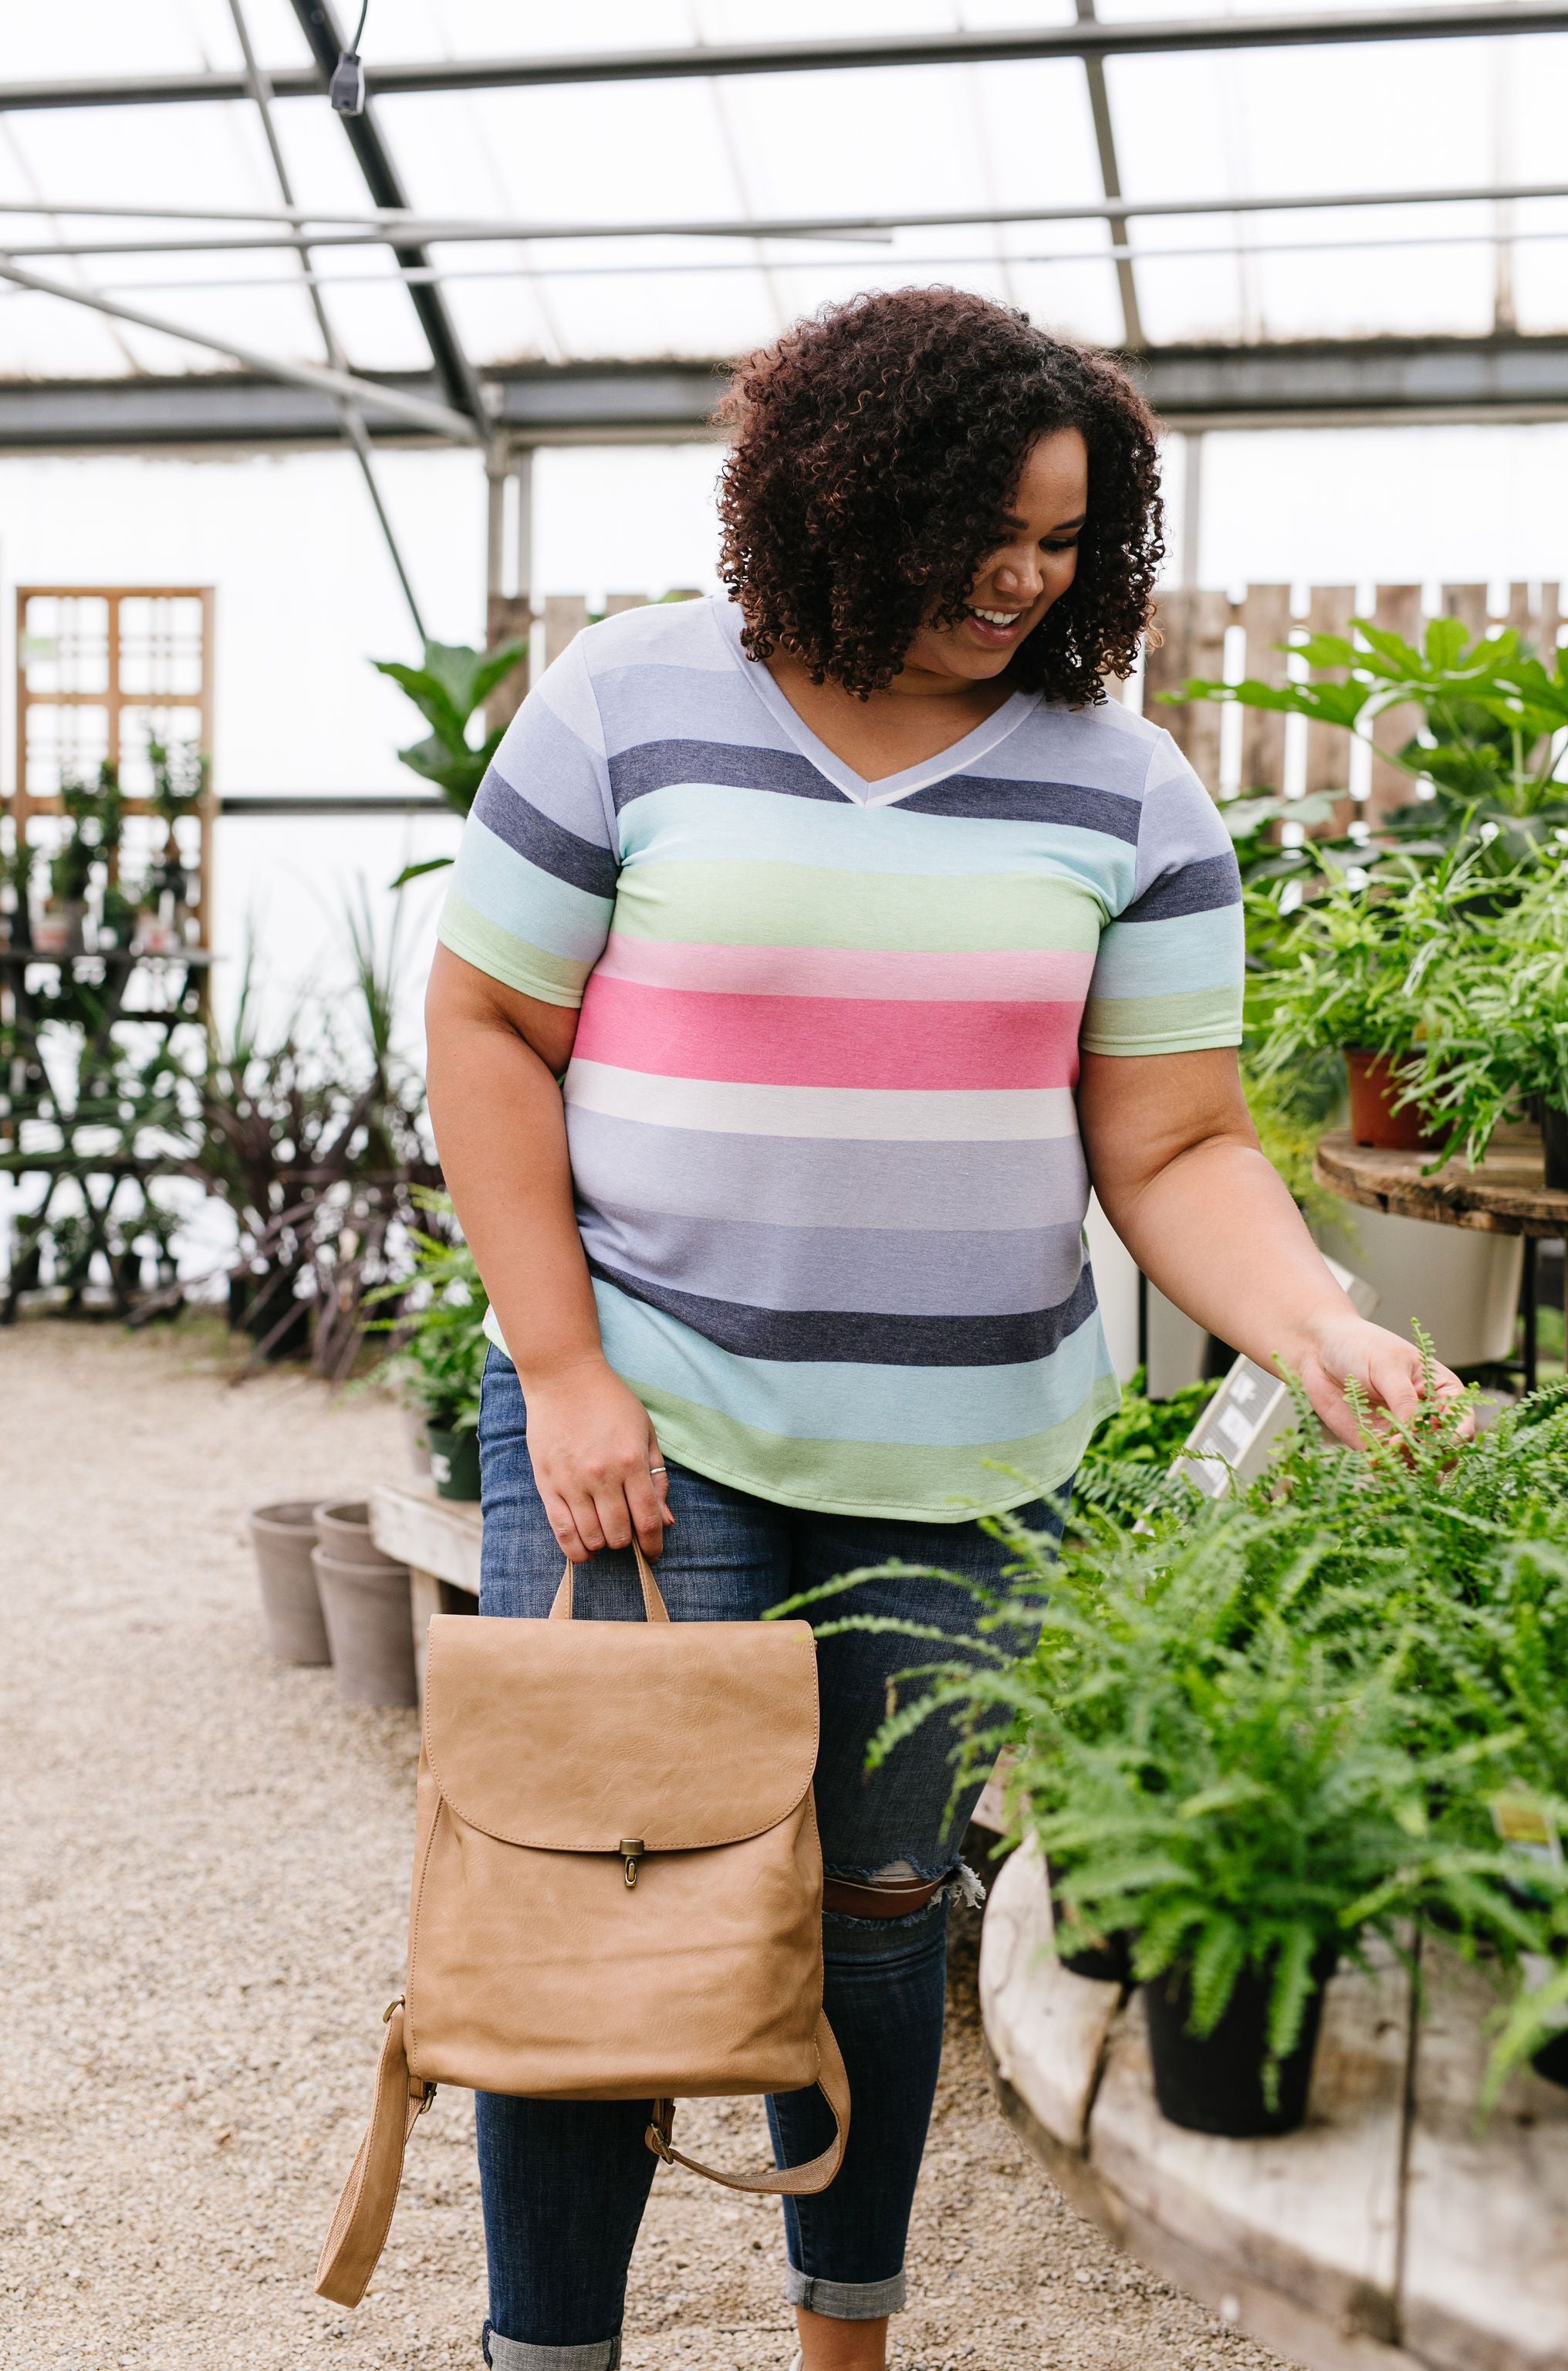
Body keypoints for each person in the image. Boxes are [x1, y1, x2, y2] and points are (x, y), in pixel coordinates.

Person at [424, 286, 1462, 2371]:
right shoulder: (629, 701)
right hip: (646, 1421)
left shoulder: (1122, 787)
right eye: (978, 532)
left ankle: (850, 2335)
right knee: (595, 1910)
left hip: (966, 1472)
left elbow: (1172, 1150)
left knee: (886, 1923)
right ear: (832, 499)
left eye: (1066, 540)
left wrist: (1320, 1330)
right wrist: (559, 1371)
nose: (1021, 577)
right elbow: (489, 1027)